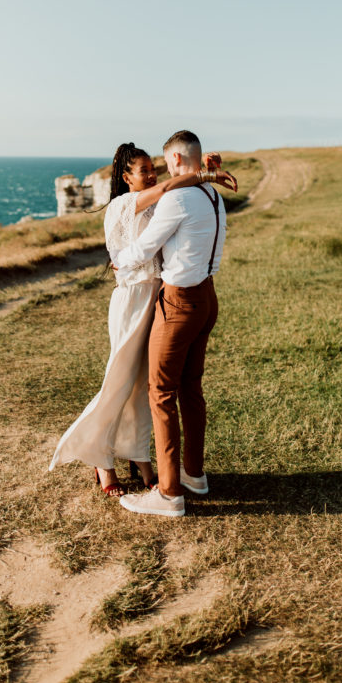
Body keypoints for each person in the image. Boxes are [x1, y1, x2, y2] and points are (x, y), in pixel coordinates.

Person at [48, 141, 237, 496]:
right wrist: (204, 174)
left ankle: (139, 456)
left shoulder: (153, 200)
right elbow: (170, 185)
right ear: (126, 177)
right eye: (144, 171)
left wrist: (200, 167)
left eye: (154, 169)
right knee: (119, 381)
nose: (152, 175)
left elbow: (174, 188)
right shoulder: (123, 204)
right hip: (132, 300)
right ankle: (101, 461)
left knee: (142, 388)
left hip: (157, 299)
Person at [114, 130, 226, 518]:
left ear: (176, 160)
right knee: (191, 388)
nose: (162, 170)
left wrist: (119, 261)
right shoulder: (213, 195)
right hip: (207, 297)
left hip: (179, 302)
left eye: (164, 163)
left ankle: (169, 493)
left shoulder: (178, 198)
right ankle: (194, 474)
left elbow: (146, 248)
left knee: (161, 392)